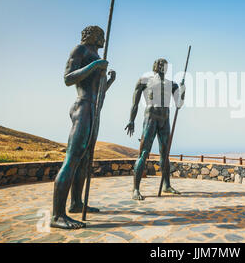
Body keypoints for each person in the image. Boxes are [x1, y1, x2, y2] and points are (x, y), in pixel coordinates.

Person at [51, 26, 116, 229]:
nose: (104, 38)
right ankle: (57, 215)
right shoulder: (80, 51)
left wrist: (109, 81)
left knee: (85, 160)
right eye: (101, 35)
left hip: (95, 111)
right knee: (72, 159)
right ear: (93, 35)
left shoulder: (96, 56)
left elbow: (98, 90)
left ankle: (76, 203)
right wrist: (95, 65)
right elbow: (68, 79)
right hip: (83, 106)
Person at [125, 58, 185, 200]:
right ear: (154, 66)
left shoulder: (172, 84)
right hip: (150, 118)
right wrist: (131, 120)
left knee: (165, 154)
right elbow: (135, 103)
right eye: (159, 64)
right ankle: (135, 189)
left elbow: (179, 104)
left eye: (164, 65)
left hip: (165, 119)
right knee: (144, 153)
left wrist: (182, 91)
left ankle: (166, 185)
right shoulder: (144, 81)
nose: (161, 66)